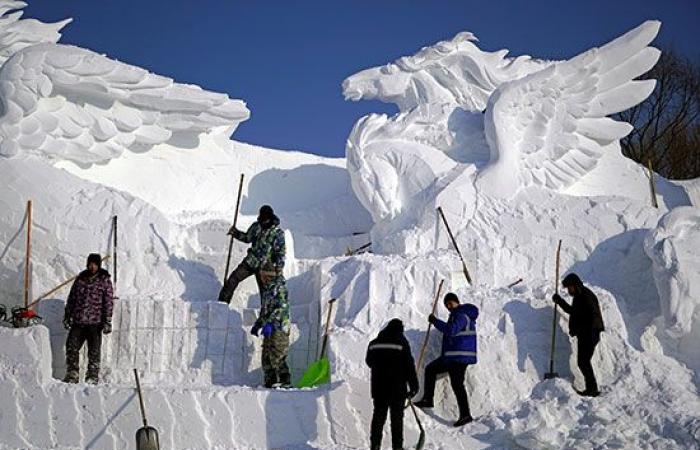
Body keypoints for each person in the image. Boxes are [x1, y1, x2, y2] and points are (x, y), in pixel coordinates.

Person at [414, 292, 478, 427]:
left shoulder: (462, 315)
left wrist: (435, 321)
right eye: (446, 305)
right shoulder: (456, 315)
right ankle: (427, 399)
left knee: (457, 385)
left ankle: (465, 415)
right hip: (451, 357)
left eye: (450, 303)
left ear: (456, 301)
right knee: (431, 369)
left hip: (459, 357)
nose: (449, 306)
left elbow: (451, 330)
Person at [247, 209, 290, 388]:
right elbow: (266, 310)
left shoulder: (278, 287)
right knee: (266, 357)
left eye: (264, 274)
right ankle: (270, 382)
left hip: (279, 328)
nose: (262, 277)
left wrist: (270, 323)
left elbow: (279, 308)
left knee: (277, 356)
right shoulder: (266, 291)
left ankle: (285, 383)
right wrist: (259, 323)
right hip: (270, 328)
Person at [365, 318, 419, 450]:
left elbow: (369, 361)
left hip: (379, 388)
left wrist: (380, 368)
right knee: (397, 419)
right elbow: (409, 366)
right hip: (397, 388)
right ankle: (397, 447)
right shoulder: (401, 342)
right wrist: (414, 386)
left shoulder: (374, 343)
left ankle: (375, 445)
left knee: (378, 417)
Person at [63, 253, 114, 384]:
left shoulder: (104, 280)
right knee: (71, 346)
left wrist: (107, 320)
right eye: (90, 264)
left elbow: (108, 301)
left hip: (95, 323)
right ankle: (72, 373)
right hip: (78, 321)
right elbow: (72, 297)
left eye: (95, 264)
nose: (92, 267)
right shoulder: (80, 278)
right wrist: (68, 314)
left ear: (99, 265)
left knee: (94, 352)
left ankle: (92, 377)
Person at [552, 273, 605, 397]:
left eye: (569, 287)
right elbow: (574, 312)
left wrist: (586, 330)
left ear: (575, 285)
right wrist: (559, 301)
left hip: (590, 333)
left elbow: (591, 314)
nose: (569, 290)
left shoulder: (585, 295)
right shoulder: (579, 295)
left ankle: (592, 389)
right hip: (586, 333)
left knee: (583, 362)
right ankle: (591, 389)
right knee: (583, 362)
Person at [218, 205, 282, 304]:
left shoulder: (277, 233)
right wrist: (236, 233)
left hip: (265, 267)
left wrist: (278, 268)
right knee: (233, 279)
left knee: (266, 294)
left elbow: (280, 252)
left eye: (266, 219)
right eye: (262, 219)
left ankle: (265, 317)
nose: (263, 221)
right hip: (251, 262)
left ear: (270, 218)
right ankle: (222, 304)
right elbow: (247, 238)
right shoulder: (256, 226)